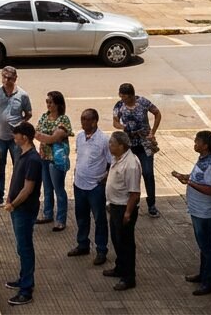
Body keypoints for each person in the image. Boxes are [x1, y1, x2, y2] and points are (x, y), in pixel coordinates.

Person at [173, 129, 211, 296]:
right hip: (198, 209)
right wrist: (185, 177)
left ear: (205, 145)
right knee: (203, 245)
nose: (194, 144)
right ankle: (203, 274)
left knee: (206, 246)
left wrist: (189, 182)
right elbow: (199, 179)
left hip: (204, 212)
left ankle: (208, 281)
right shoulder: (204, 160)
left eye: (197, 142)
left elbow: (210, 189)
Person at [1, 121, 42, 307]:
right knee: (21, 247)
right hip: (17, 208)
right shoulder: (22, 154)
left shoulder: (33, 159)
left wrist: (13, 204)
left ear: (24, 137)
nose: (14, 137)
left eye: (16, 134)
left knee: (25, 248)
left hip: (24, 210)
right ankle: (23, 278)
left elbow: (27, 189)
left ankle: (26, 289)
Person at [68, 109, 112, 266]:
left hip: (95, 187)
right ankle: (82, 244)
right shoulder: (80, 136)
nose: (83, 122)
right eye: (82, 119)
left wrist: (104, 179)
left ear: (94, 121)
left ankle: (101, 250)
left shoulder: (103, 140)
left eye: (86, 119)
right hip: (79, 185)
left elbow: (111, 162)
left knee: (99, 219)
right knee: (81, 216)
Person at [112, 83, 162, 217]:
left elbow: (157, 113)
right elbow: (115, 122)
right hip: (129, 143)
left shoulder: (143, 102)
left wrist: (153, 132)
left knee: (148, 173)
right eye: (121, 96)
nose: (123, 99)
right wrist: (123, 127)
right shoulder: (119, 105)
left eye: (125, 97)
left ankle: (151, 204)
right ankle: (131, 201)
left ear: (132, 95)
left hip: (144, 142)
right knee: (128, 173)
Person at [103, 131, 142, 291]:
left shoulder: (131, 164)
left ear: (121, 146)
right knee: (116, 239)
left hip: (124, 208)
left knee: (126, 243)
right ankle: (120, 267)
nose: (109, 146)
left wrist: (127, 213)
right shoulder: (117, 158)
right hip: (114, 205)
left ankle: (128, 277)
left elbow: (134, 193)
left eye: (112, 143)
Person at [0, 66, 32, 197]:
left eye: (10, 78)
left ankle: (16, 193)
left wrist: (20, 124)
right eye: (4, 77)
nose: (6, 80)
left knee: (18, 167)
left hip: (16, 140)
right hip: (0, 137)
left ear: (15, 78)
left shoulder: (22, 95)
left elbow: (28, 113)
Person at [34, 91, 72, 231]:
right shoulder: (45, 116)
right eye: (47, 102)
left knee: (59, 189)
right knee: (47, 188)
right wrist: (45, 136)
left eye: (51, 102)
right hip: (44, 157)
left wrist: (42, 136)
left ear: (58, 104)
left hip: (56, 160)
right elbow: (38, 134)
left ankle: (61, 219)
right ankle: (47, 213)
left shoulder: (64, 120)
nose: (48, 105)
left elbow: (51, 138)